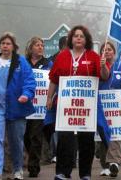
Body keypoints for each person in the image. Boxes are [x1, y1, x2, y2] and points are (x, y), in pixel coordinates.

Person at [46, 25, 109, 180]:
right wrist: (49, 98)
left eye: (82, 36)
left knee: (86, 139)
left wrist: (103, 66)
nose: (78, 38)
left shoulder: (94, 56)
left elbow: (104, 76)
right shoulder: (62, 56)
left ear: (86, 39)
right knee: (64, 138)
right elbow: (54, 79)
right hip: (66, 106)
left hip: (86, 106)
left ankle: (85, 174)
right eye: (76, 36)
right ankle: (62, 172)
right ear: (71, 39)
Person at [0, 32, 36, 180]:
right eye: (3, 43)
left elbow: (30, 81)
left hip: (16, 106)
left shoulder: (21, 62)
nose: (5, 46)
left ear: (14, 46)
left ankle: (17, 170)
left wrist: (26, 95)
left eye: (8, 43)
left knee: (16, 140)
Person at [97, 41, 121, 177]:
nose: (106, 52)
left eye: (109, 49)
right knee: (103, 134)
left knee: (115, 133)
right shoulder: (97, 66)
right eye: (104, 50)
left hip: (117, 107)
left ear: (114, 52)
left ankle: (113, 162)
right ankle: (105, 165)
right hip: (101, 107)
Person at [24, 36, 53, 178]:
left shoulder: (48, 64)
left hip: (40, 107)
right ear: (30, 48)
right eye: (37, 45)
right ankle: (32, 158)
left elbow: (54, 80)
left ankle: (33, 167)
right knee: (26, 137)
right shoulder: (23, 64)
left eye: (42, 45)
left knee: (36, 136)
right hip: (25, 105)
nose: (41, 47)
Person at [43, 36, 68, 164]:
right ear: (63, 46)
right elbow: (52, 80)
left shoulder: (75, 58)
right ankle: (55, 152)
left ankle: (66, 155)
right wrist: (49, 97)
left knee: (67, 127)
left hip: (70, 99)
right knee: (53, 125)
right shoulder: (52, 61)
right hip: (56, 99)